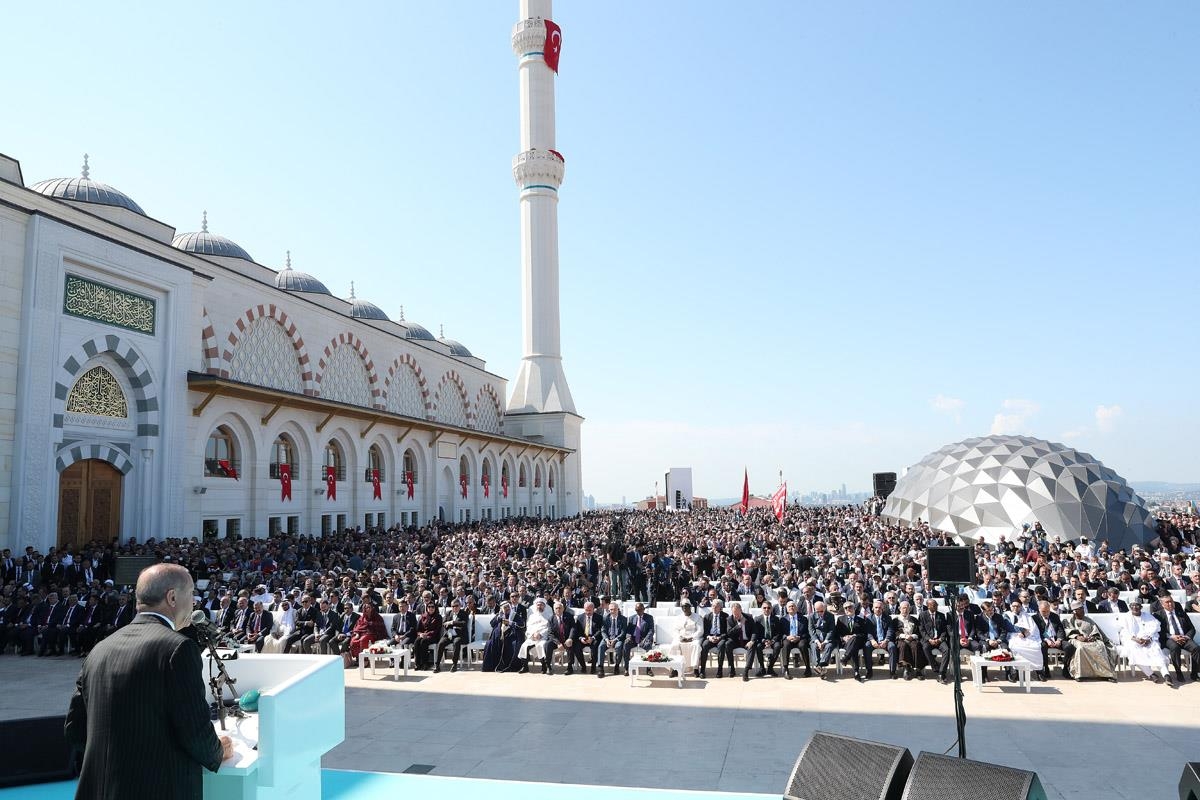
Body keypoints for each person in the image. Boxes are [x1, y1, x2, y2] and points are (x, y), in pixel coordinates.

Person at [64, 563, 233, 800]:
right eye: (191, 593)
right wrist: (218, 750)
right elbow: (195, 732)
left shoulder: (100, 648)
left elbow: (75, 729)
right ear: (172, 597)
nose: (194, 601)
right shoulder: (179, 648)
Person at [1061, 601, 1117, 681]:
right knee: (1080, 648)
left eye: (1083, 608)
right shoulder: (1068, 620)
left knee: (1100, 647)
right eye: (1080, 609)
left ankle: (1105, 674)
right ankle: (1079, 674)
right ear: (1074, 611)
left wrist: (1093, 637)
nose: (1083, 610)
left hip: (1090, 639)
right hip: (1075, 640)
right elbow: (1067, 631)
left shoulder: (1089, 620)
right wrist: (1077, 636)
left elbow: (1096, 631)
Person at [1119, 600, 1169, 684]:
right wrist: (1136, 639)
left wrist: (1148, 639)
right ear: (1130, 607)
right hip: (1132, 640)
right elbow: (1124, 631)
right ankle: (1151, 674)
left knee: (1156, 650)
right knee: (1134, 652)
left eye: (1137, 605)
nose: (1135, 607)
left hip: (1149, 640)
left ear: (1141, 607)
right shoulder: (1125, 617)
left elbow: (1156, 628)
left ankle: (1166, 675)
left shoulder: (1148, 616)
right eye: (1132, 605)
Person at [1155, 594, 1199, 683]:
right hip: (1169, 639)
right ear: (1162, 604)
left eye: (1171, 601)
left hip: (1184, 638)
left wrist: (1186, 637)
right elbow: (1158, 632)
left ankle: (1195, 674)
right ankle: (1179, 672)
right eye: (1167, 602)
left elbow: (1192, 628)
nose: (1170, 604)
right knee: (1175, 647)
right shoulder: (1158, 615)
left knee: (1196, 648)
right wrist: (1172, 636)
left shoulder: (1181, 613)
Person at [1004, 599, 1044, 679]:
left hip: (1027, 636)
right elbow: (1008, 626)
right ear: (1011, 606)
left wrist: (1026, 634)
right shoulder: (1007, 615)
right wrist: (1022, 631)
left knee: (1036, 647)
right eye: (1014, 606)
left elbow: (1033, 628)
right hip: (1013, 636)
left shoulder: (1026, 616)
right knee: (1015, 647)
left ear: (1021, 607)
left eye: (1018, 606)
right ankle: (1016, 671)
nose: (1015, 608)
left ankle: (1038, 670)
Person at [778, 600, 811, 679]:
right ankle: (786, 669)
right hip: (788, 638)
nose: (791, 608)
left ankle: (808, 668)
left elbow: (807, 632)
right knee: (785, 645)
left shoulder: (803, 619)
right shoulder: (783, 619)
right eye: (789, 606)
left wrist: (799, 637)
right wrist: (787, 637)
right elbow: (780, 633)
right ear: (787, 609)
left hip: (800, 638)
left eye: (793, 606)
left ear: (796, 608)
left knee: (803, 645)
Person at [347, 601, 387, 665]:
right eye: (365, 608)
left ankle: (365, 659)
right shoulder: (362, 617)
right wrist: (357, 633)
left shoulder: (377, 616)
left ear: (372, 608)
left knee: (363, 640)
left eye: (368, 607)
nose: (367, 609)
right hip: (361, 633)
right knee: (353, 640)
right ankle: (358, 658)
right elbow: (357, 626)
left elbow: (379, 627)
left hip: (372, 634)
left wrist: (369, 628)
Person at [669, 600, 702, 677]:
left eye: (686, 606)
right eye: (683, 606)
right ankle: (674, 668)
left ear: (690, 607)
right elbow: (675, 630)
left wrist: (692, 637)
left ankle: (695, 668)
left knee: (696, 646)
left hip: (693, 637)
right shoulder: (678, 618)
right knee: (674, 645)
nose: (685, 608)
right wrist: (680, 637)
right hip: (681, 637)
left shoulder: (697, 617)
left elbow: (700, 630)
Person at [699, 599, 730, 679]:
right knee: (704, 645)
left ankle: (720, 670)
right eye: (713, 606)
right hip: (710, 637)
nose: (714, 608)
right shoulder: (707, 617)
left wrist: (720, 637)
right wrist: (709, 637)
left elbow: (727, 632)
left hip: (721, 637)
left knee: (722, 645)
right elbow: (705, 631)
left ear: (720, 607)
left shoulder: (726, 616)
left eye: (716, 606)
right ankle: (702, 670)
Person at [891, 600, 922, 680]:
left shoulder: (914, 619)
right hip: (901, 639)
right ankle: (906, 668)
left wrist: (913, 636)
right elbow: (893, 632)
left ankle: (918, 669)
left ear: (910, 609)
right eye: (903, 608)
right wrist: (904, 636)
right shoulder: (895, 620)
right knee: (903, 645)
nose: (905, 610)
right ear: (899, 608)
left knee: (916, 645)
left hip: (912, 638)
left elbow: (919, 631)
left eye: (907, 608)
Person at [519, 598, 551, 673]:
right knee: (524, 646)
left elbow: (550, 628)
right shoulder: (531, 616)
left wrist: (541, 634)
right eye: (538, 605)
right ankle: (525, 667)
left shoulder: (549, 616)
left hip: (543, 637)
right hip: (532, 637)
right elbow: (528, 628)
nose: (539, 606)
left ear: (544, 606)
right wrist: (532, 635)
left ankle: (544, 666)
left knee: (541, 645)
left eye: (541, 605)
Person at [596, 601, 626, 679]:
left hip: (617, 638)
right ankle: (601, 668)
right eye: (610, 610)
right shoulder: (605, 618)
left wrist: (615, 640)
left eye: (613, 609)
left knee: (619, 647)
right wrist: (606, 640)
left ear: (618, 609)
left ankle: (617, 665)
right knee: (601, 646)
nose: (612, 611)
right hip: (607, 638)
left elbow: (623, 632)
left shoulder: (623, 619)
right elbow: (603, 630)